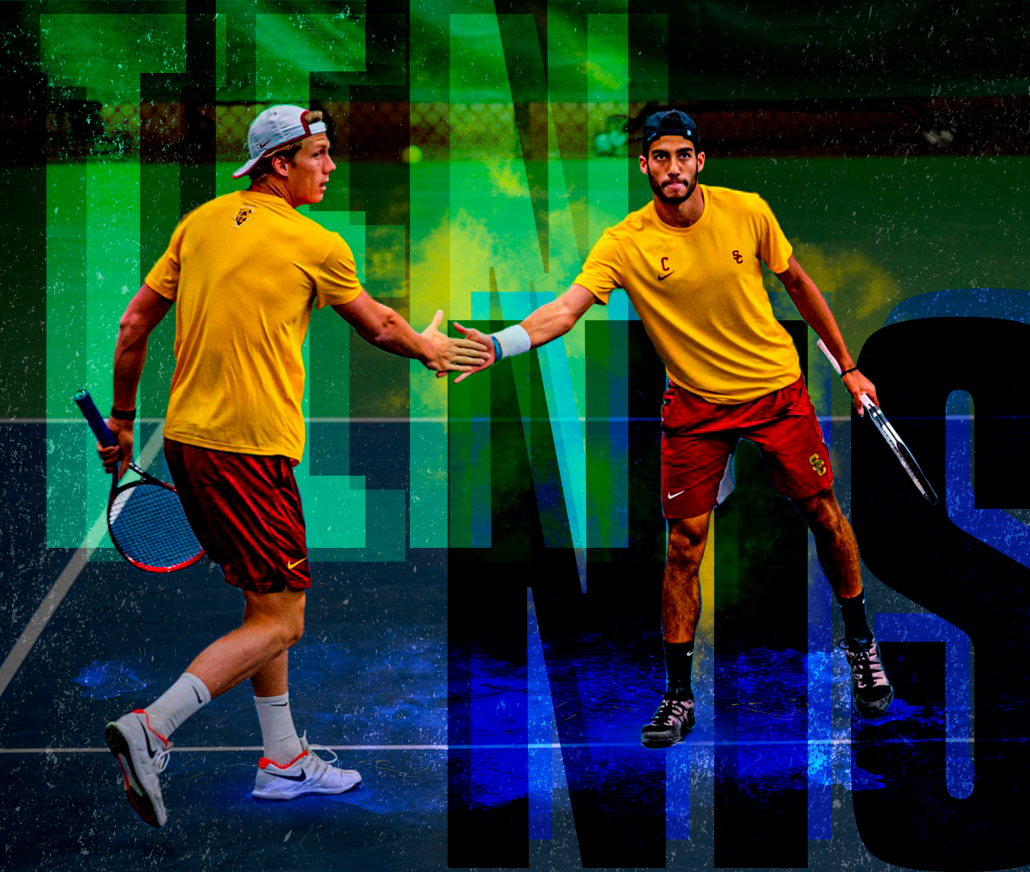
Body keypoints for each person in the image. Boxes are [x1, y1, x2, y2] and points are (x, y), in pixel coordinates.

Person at [98, 104, 489, 827]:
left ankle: (282, 761)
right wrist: (432, 349)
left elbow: (131, 325)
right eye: (318, 155)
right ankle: (151, 729)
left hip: (186, 442)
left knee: (262, 599)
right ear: (280, 163)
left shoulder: (200, 223)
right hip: (250, 450)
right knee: (284, 621)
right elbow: (378, 325)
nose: (330, 167)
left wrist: (123, 422)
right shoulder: (316, 242)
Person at [452, 109, 892, 748]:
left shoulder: (748, 211)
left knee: (823, 513)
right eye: (660, 158)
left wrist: (848, 367)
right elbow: (567, 309)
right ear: (645, 166)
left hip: (775, 392)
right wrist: (503, 346)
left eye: (683, 156)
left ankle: (861, 643)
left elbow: (798, 285)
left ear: (699, 162)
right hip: (694, 409)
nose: (672, 168)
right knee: (684, 546)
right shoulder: (624, 243)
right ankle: (679, 696)